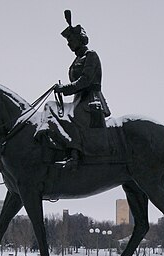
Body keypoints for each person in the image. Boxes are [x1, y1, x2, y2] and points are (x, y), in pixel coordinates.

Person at [37, 10, 111, 169]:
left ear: (80, 39)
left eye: (71, 39)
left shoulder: (91, 55)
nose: (69, 43)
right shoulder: (77, 59)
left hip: (90, 100)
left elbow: (85, 80)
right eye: (68, 40)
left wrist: (64, 88)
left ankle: (75, 154)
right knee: (51, 106)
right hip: (78, 99)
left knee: (73, 116)